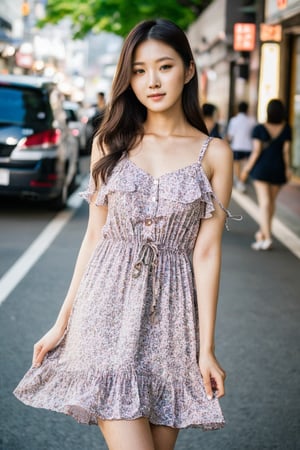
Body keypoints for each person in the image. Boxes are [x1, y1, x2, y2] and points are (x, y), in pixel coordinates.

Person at [14, 19, 237, 450]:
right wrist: (62, 323)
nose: (151, 81)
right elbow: (95, 238)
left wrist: (205, 348)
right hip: (105, 313)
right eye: (138, 70)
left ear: (189, 71)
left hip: (174, 322)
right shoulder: (110, 142)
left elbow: (207, 253)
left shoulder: (216, 154)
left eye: (164, 66)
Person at [240, 98, 292, 251]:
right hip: (278, 169)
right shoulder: (286, 128)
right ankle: (262, 234)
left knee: (264, 203)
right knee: (271, 203)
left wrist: (246, 169)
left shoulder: (259, 128)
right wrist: (288, 169)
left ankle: (267, 237)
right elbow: (286, 152)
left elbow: (256, 152)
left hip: (262, 169)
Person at [226, 101, 256, 192]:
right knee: (245, 166)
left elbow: (230, 136)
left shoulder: (234, 120)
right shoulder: (252, 121)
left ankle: (239, 183)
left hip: (237, 146)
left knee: (237, 166)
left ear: (238, 109)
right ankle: (242, 182)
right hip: (249, 147)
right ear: (247, 109)